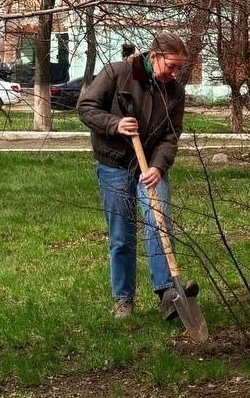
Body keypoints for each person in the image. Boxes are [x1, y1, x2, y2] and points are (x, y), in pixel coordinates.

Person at [78, 33, 188, 317]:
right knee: (122, 233)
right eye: (172, 66)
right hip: (114, 165)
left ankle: (167, 293)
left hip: (150, 167)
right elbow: (87, 108)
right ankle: (123, 298)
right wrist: (115, 124)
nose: (175, 73)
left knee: (159, 222)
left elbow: (170, 136)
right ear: (154, 57)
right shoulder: (118, 73)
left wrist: (158, 166)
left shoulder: (175, 92)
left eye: (179, 68)